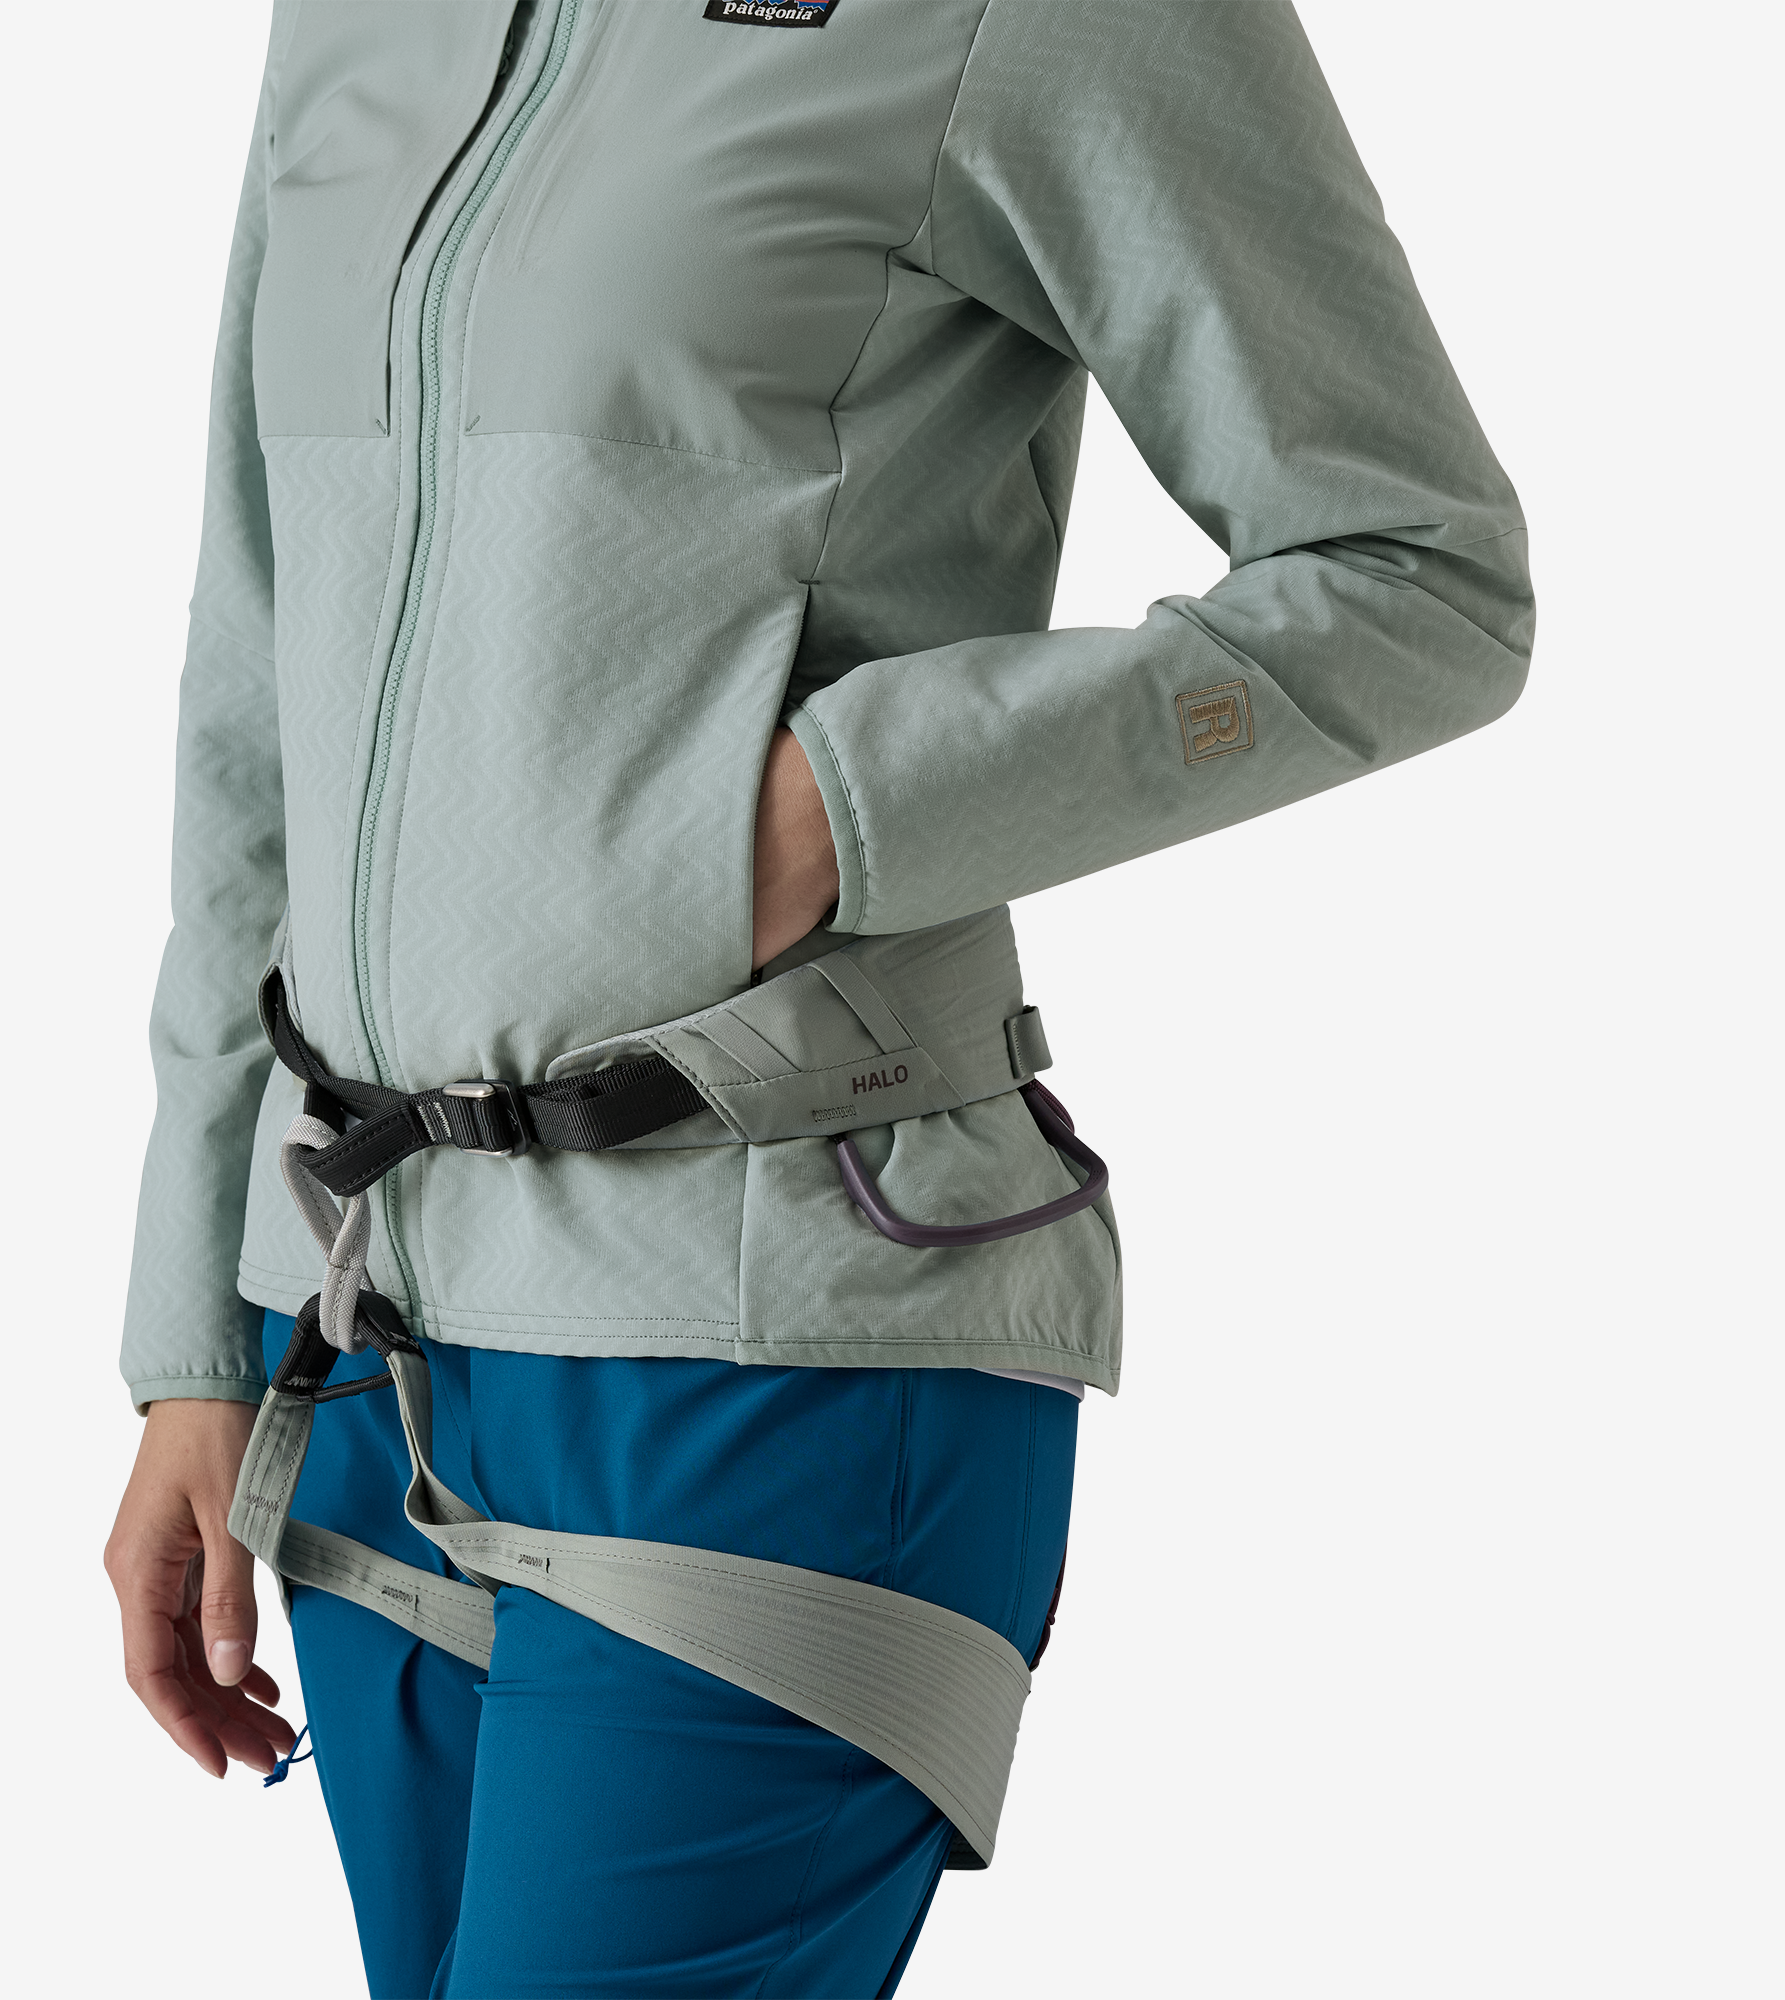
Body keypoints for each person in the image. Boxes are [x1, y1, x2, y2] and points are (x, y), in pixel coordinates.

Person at [105, 3, 1533, 1994]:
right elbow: (262, 685)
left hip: (777, 1332)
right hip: (356, 1344)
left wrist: (840, 810)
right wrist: (195, 1334)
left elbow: (1417, 575)